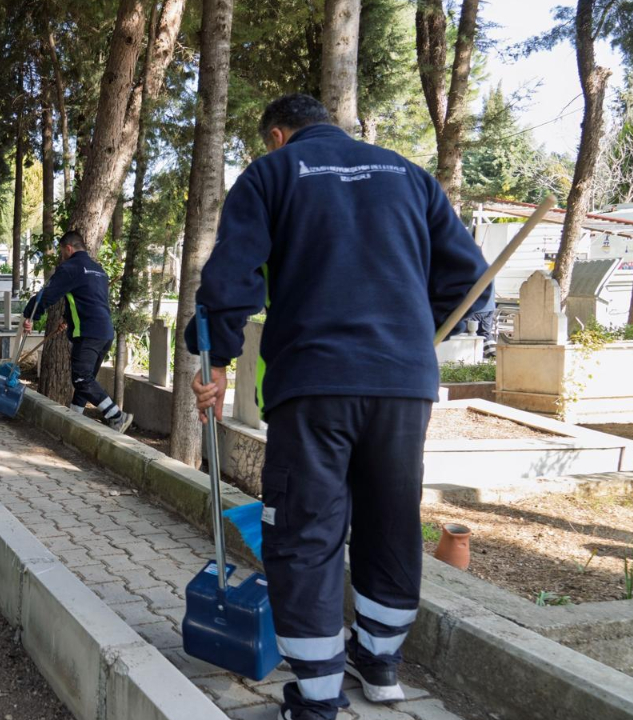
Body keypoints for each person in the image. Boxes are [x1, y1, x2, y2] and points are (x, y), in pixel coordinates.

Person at [183, 94, 489, 720]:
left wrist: (212, 360)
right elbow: (470, 285)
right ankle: (379, 665)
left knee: (305, 532)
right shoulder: (409, 175)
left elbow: (230, 280)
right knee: (391, 519)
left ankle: (317, 698)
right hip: (403, 386)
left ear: (277, 135)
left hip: (315, 383)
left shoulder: (272, 174)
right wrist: (406, 335)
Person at [22, 231, 134, 434]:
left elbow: (47, 295)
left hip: (89, 333)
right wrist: (67, 319)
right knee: (86, 379)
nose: (61, 257)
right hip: (105, 332)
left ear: (68, 248)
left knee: (82, 379)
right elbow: (88, 299)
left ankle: (117, 416)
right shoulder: (98, 270)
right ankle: (74, 419)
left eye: (61, 252)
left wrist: (30, 315)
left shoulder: (70, 267)